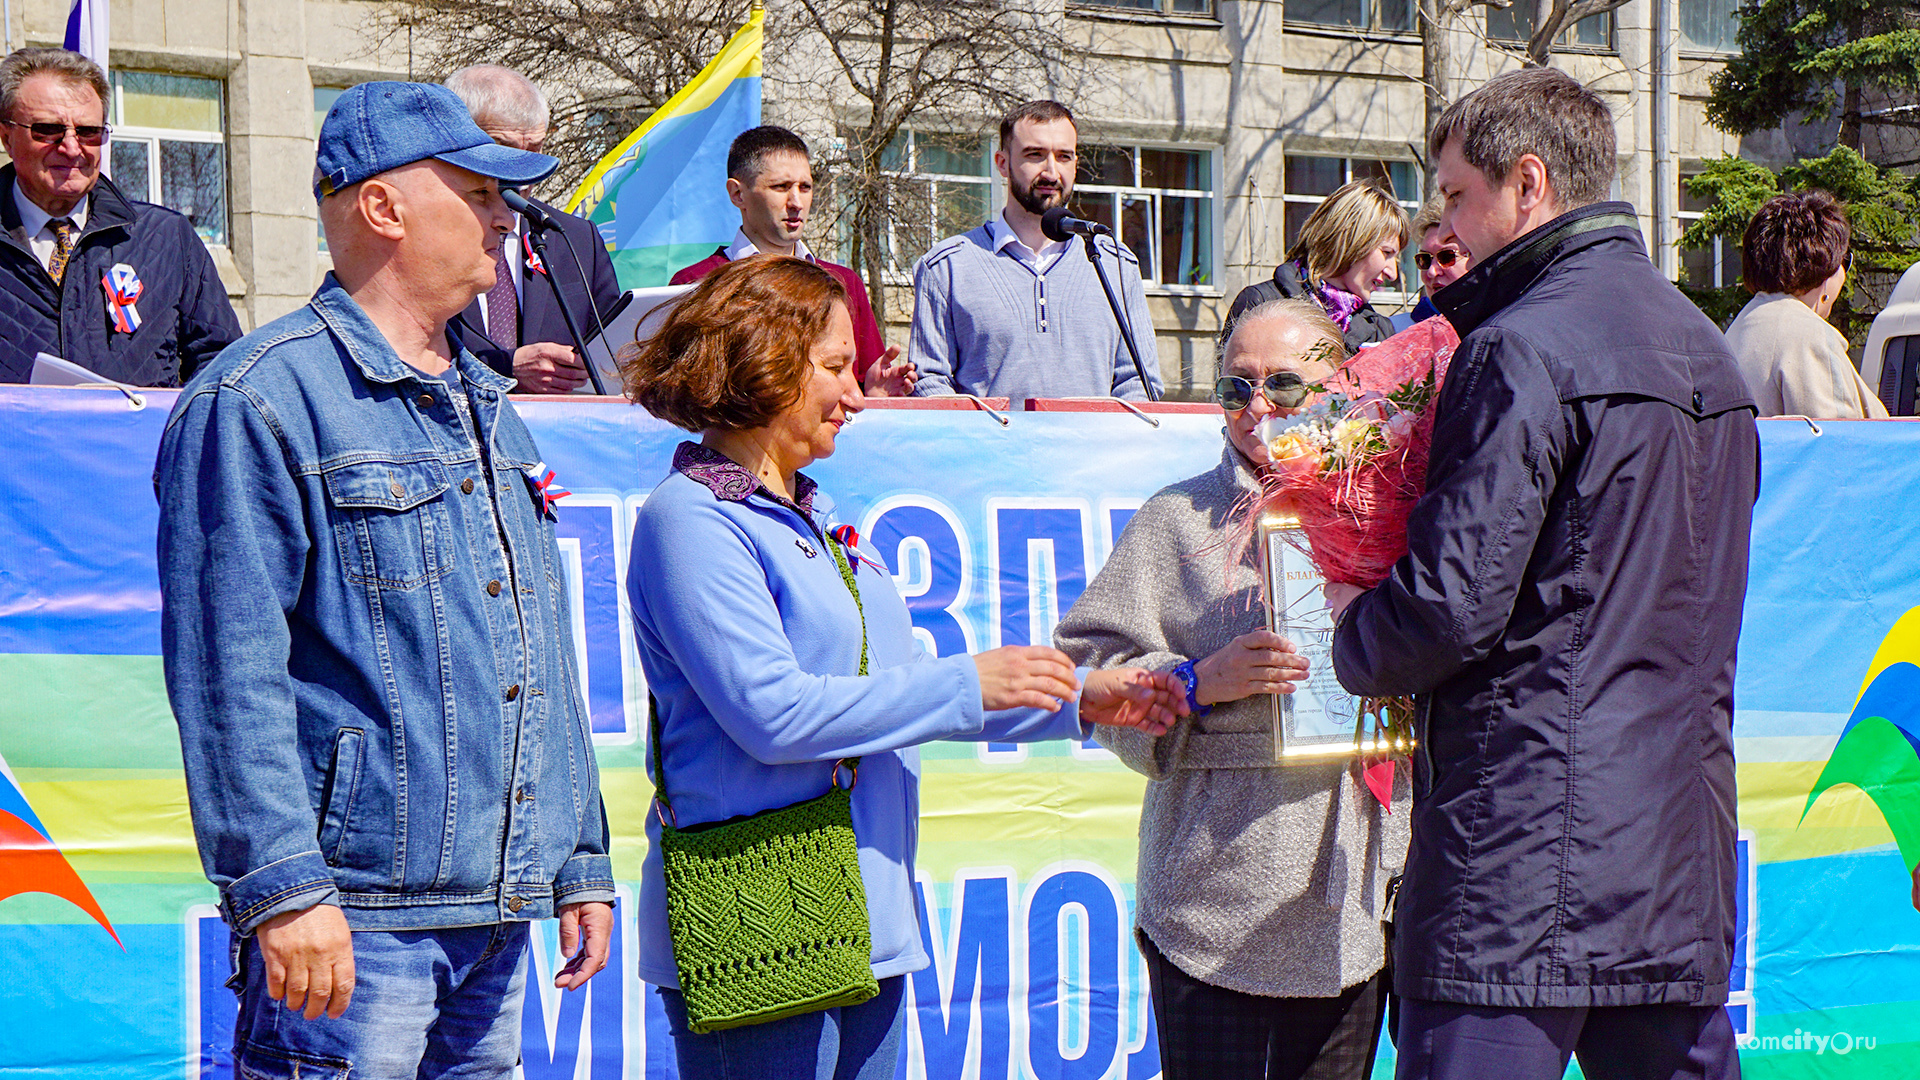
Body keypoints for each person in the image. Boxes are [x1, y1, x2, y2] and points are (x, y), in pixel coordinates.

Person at [621, 254, 1187, 1079]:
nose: (856, 395)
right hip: (760, 908)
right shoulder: (693, 521)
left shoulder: (806, 516)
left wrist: (1081, 699)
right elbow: (774, 716)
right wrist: (969, 682)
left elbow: (904, 690)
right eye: (836, 367)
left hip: (870, 913)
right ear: (761, 361)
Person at [155, 82, 616, 1076]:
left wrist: (578, 857)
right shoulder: (259, 399)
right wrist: (282, 891)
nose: (506, 217)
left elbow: (538, 647)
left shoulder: (490, 405)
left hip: (494, 905)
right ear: (382, 208)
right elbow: (229, 677)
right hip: (356, 920)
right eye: (478, 190)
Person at [1324, 68, 1758, 1080]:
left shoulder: (1517, 348)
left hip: (1518, 872)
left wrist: (1346, 626)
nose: (1447, 223)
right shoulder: (1709, 353)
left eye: (1457, 195)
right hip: (1674, 862)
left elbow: (1446, 605)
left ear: (1528, 184)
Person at [1055, 297, 1409, 1080]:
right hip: (1209, 901)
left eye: (1283, 386)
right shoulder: (1175, 518)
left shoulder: (1390, 509)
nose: (1257, 408)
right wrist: (1196, 680)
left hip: (1348, 894)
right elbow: (1091, 673)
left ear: (1339, 386)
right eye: (1233, 388)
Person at [0, 47, 239, 386]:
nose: (71, 147)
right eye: (49, 130)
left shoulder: (168, 239)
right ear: (7, 137)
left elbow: (222, 363)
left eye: (88, 132)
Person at [909, 100, 1162, 401]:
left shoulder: (1114, 264)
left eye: (1064, 157)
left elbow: (1139, 385)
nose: (1052, 172)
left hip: (1092, 447)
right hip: (987, 447)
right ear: (1002, 163)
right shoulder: (947, 267)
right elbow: (929, 383)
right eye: (1035, 155)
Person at [671, 125, 915, 396]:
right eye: (781, 187)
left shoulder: (844, 283)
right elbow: (679, 397)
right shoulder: (696, 283)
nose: (797, 202)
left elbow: (860, 391)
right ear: (738, 194)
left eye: (805, 187)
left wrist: (873, 391)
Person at [445, 64, 623, 393]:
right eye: (505, 147)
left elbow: (613, 346)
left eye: (535, 149)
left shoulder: (575, 238)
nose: (524, 168)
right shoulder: (423, 235)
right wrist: (505, 368)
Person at [1724, 189, 1887, 419]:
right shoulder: (1809, 337)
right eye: (1844, 261)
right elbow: (1837, 444)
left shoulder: (1742, 325)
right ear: (1826, 269)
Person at [1227, 178, 1408, 352]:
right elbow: (1235, 380)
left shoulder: (1379, 331)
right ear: (1352, 240)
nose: (1392, 274)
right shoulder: (1260, 302)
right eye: (1387, 253)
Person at [1390, 195, 1474, 331]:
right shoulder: (1394, 331)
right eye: (1425, 259)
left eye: (1446, 257)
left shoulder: (1499, 331)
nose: (1431, 272)